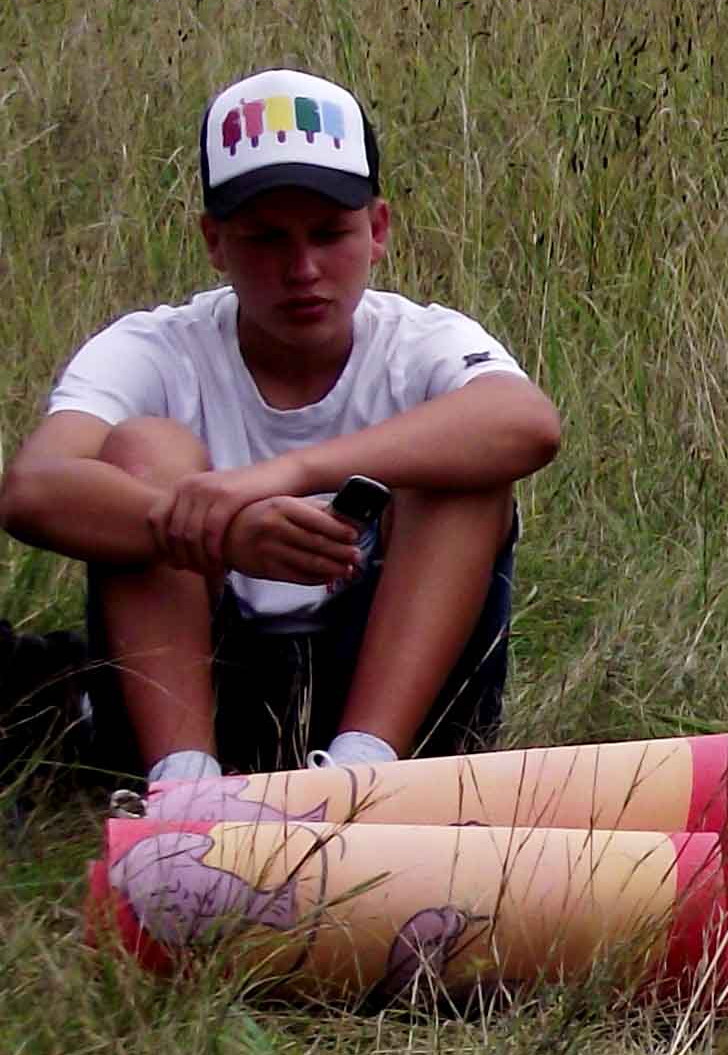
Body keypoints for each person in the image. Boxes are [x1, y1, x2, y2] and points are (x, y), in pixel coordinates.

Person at [2, 68, 559, 789]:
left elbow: (528, 423)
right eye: (266, 240)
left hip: (400, 703)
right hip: (212, 688)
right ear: (215, 242)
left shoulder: (422, 341)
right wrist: (219, 529)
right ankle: (184, 787)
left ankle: (363, 776)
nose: (303, 269)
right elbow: (33, 489)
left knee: (459, 468)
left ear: (378, 231)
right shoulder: (155, 347)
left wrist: (279, 476)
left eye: (329, 235)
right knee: (145, 449)